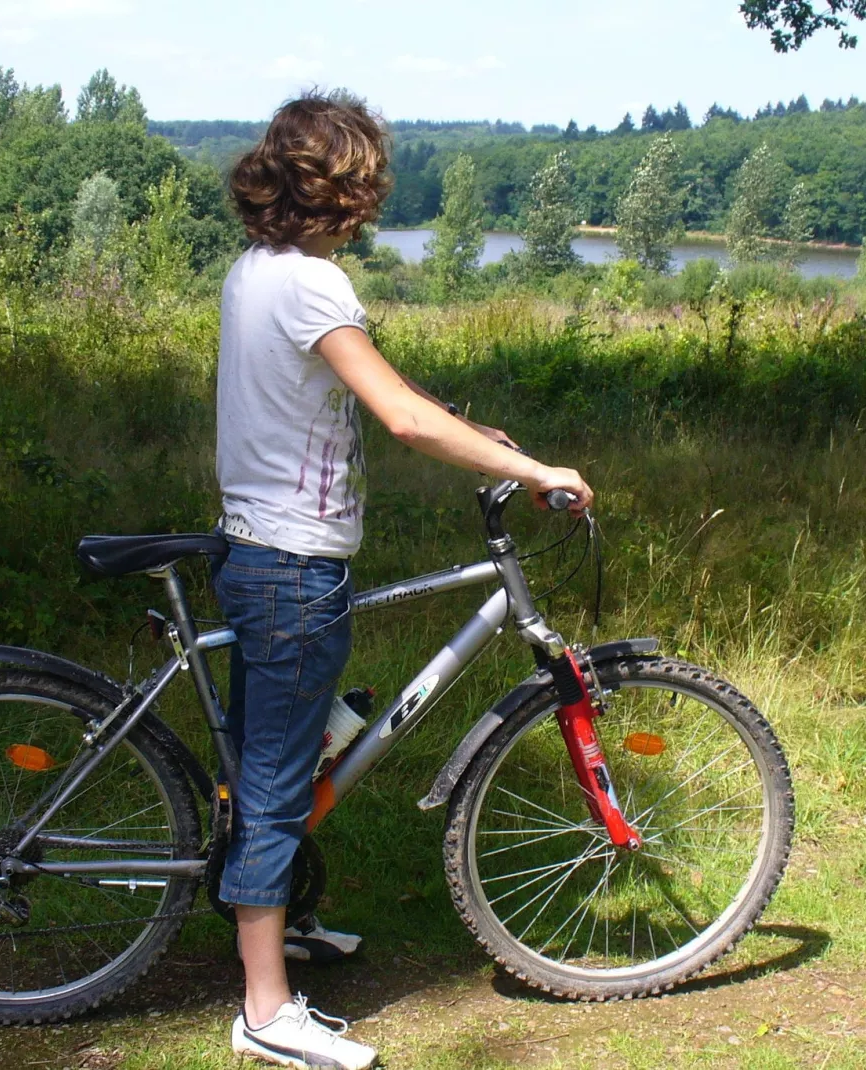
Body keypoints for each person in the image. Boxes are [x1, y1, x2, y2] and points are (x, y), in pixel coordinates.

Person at [213, 90, 593, 1070]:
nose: (375, 200)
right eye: (368, 182)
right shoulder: (312, 285)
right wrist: (530, 467)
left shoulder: (256, 271)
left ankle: (281, 926)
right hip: (292, 565)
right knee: (275, 786)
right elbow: (403, 417)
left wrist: (482, 441)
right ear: (341, 186)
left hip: (258, 549)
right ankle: (265, 1008)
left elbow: (370, 391)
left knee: (282, 761)